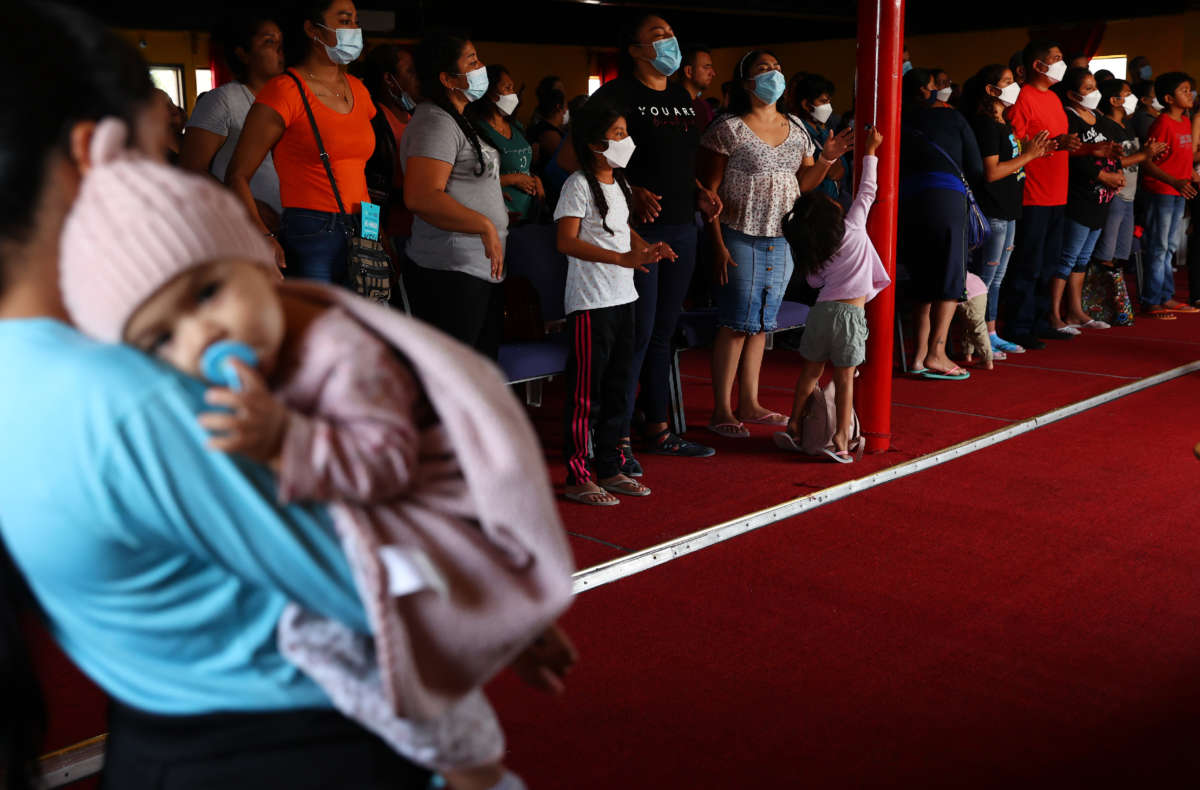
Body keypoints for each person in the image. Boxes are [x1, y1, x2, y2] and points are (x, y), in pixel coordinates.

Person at [0, 2, 445, 786]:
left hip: (157, 732)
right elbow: (371, 594)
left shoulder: (41, 367)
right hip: (277, 747)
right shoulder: (136, 398)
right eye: (156, 154)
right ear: (88, 155)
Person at [566, 11, 723, 464]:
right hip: (635, 233)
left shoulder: (679, 96)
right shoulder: (616, 95)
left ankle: (657, 426)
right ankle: (614, 439)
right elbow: (574, 158)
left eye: (672, 33)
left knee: (663, 333)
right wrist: (629, 192)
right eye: (658, 36)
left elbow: (679, 162)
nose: (669, 41)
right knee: (634, 334)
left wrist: (699, 194)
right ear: (634, 50)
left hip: (681, 227)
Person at [698, 50, 851, 437]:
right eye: (764, 70)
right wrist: (716, 244)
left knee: (761, 324)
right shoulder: (727, 128)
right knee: (736, 323)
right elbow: (707, 193)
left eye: (778, 68)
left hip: (781, 237)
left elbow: (801, 185)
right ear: (746, 82)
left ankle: (749, 402)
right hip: (739, 233)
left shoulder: (796, 127)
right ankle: (721, 409)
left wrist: (826, 160)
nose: (774, 75)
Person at [557, 104, 677, 505]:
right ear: (595, 144)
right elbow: (566, 241)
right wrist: (622, 259)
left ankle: (610, 466)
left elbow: (622, 230)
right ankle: (578, 474)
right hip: (592, 303)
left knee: (619, 389)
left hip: (624, 297)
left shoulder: (620, 184)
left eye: (626, 132)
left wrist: (646, 248)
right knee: (585, 395)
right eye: (618, 133)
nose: (626, 141)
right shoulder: (577, 184)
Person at [227, 0, 376, 284]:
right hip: (313, 231)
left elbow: (358, 169)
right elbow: (237, 175)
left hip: (365, 223)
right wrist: (264, 236)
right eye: (345, 21)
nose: (355, 29)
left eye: (356, 21)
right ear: (312, 29)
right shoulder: (284, 91)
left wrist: (375, 230)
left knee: (358, 323)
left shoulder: (359, 89)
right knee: (317, 325)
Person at [774, 126, 889, 462]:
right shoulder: (853, 227)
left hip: (820, 314)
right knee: (844, 379)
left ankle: (794, 424)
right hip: (850, 317)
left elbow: (812, 284)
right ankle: (840, 439)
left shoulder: (816, 251)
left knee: (810, 373)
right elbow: (868, 189)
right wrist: (871, 150)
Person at [401, 32, 509, 358]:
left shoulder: (457, 119)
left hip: (475, 267)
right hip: (451, 269)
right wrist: (484, 225)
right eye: (472, 61)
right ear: (447, 78)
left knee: (477, 370)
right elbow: (421, 196)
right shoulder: (434, 123)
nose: (481, 68)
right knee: (455, 372)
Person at [962, 64, 1051, 357]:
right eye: (1008, 82)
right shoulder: (986, 125)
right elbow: (992, 172)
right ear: (991, 90)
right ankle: (975, 336)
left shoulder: (1004, 123)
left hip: (1009, 209)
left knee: (997, 279)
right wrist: (1028, 156)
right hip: (994, 210)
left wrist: (1033, 151)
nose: (1015, 86)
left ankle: (991, 332)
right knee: (984, 280)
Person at [899, 67, 982, 380]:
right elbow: (975, 167)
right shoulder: (950, 117)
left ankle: (919, 356)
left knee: (921, 279)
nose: (947, 88)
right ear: (925, 88)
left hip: (907, 202)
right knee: (949, 276)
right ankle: (938, 352)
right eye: (941, 84)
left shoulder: (899, 119)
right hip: (945, 199)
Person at [1003, 40, 1077, 350]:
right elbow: (1013, 144)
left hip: (1058, 192)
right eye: (1057, 58)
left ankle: (1038, 319)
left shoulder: (1055, 100)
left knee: (1048, 264)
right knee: (1028, 264)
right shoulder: (1024, 99)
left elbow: (1055, 143)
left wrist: (1078, 146)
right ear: (1038, 65)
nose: (1062, 63)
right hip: (1033, 194)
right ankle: (1018, 325)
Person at [181, 14, 285, 233]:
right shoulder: (223, 100)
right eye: (269, 42)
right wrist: (247, 208)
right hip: (242, 228)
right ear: (243, 53)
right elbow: (191, 168)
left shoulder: (289, 101)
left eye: (281, 42)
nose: (280, 50)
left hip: (290, 227)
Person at [1050, 67, 1126, 333]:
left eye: (1095, 87)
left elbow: (1111, 150)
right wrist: (1101, 175)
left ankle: (1075, 311)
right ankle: (1054, 314)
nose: (1094, 93)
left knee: (1083, 259)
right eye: (1088, 88)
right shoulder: (1068, 119)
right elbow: (1068, 157)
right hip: (1079, 197)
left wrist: (1116, 170)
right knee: (1067, 258)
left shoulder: (1099, 118)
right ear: (1071, 94)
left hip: (1100, 200)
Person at [1093, 78, 1166, 321]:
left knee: (1120, 253)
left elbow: (1135, 157)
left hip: (1130, 195)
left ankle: (1114, 304)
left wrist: (1150, 153)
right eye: (1127, 94)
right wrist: (1144, 155)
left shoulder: (1128, 125)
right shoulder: (1106, 127)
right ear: (1114, 100)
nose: (1130, 98)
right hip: (1114, 195)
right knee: (1105, 250)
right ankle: (1098, 303)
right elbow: (1111, 162)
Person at [1139, 71, 1200, 317]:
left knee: (1170, 246)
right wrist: (1174, 180)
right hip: (1162, 190)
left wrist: (1189, 176)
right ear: (1168, 98)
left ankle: (1166, 296)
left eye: (1190, 90)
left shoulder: (1185, 121)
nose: (1190, 94)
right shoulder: (1162, 123)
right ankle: (1152, 300)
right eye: (1184, 90)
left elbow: (1181, 158)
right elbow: (1148, 162)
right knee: (1158, 246)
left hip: (1178, 191)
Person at [357, 44, 419, 277]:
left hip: (418, 232)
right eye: (410, 72)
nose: (418, 78)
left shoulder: (417, 117)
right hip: (389, 230)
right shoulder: (373, 121)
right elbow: (367, 189)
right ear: (390, 80)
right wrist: (374, 242)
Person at [469, 64, 544, 225]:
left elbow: (522, 163)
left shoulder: (515, 126)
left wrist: (535, 180)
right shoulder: (479, 131)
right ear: (490, 93)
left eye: (513, 88)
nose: (513, 94)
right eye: (507, 88)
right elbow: (470, 179)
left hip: (528, 214)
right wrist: (512, 179)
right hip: (499, 214)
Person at [789, 72, 845, 200]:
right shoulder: (796, 131)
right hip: (809, 207)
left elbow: (839, 173)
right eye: (823, 101)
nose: (828, 107)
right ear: (806, 105)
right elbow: (833, 171)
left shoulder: (825, 132)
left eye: (829, 101)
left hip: (831, 203)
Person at [958, 272, 994, 369]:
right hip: (977, 288)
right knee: (967, 324)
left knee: (976, 326)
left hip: (970, 292)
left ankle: (987, 360)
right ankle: (968, 355)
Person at [529, 86, 567, 175]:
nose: (566, 111)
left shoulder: (550, 129)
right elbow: (563, 162)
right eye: (565, 106)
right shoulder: (549, 134)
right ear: (558, 107)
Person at [678, 46, 716, 129]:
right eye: (706, 67)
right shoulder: (668, 106)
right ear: (689, 71)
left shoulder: (705, 107)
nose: (713, 73)